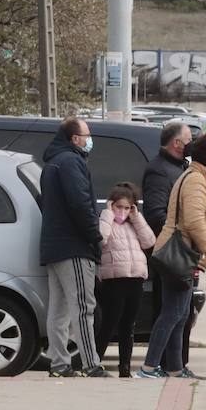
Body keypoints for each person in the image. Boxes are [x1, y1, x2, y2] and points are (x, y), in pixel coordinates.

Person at [138, 133, 206, 380]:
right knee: (173, 313)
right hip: (181, 254)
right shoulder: (196, 180)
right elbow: (194, 220)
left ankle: (175, 368)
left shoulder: (192, 175)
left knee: (180, 313)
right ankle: (149, 367)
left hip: (180, 252)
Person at [39, 117, 108, 378]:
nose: (90, 139)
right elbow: (80, 204)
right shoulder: (71, 162)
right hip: (73, 246)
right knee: (82, 306)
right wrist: (95, 236)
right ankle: (92, 364)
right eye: (87, 135)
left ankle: (59, 364)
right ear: (74, 138)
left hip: (54, 246)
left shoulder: (53, 162)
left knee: (59, 309)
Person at [95, 183, 156, 377]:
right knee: (109, 323)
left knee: (128, 326)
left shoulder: (133, 224)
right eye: (119, 207)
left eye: (127, 207)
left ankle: (125, 368)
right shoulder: (107, 223)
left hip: (135, 279)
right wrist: (107, 215)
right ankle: (94, 362)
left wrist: (137, 218)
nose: (123, 211)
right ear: (111, 205)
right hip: (114, 280)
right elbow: (100, 239)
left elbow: (149, 241)